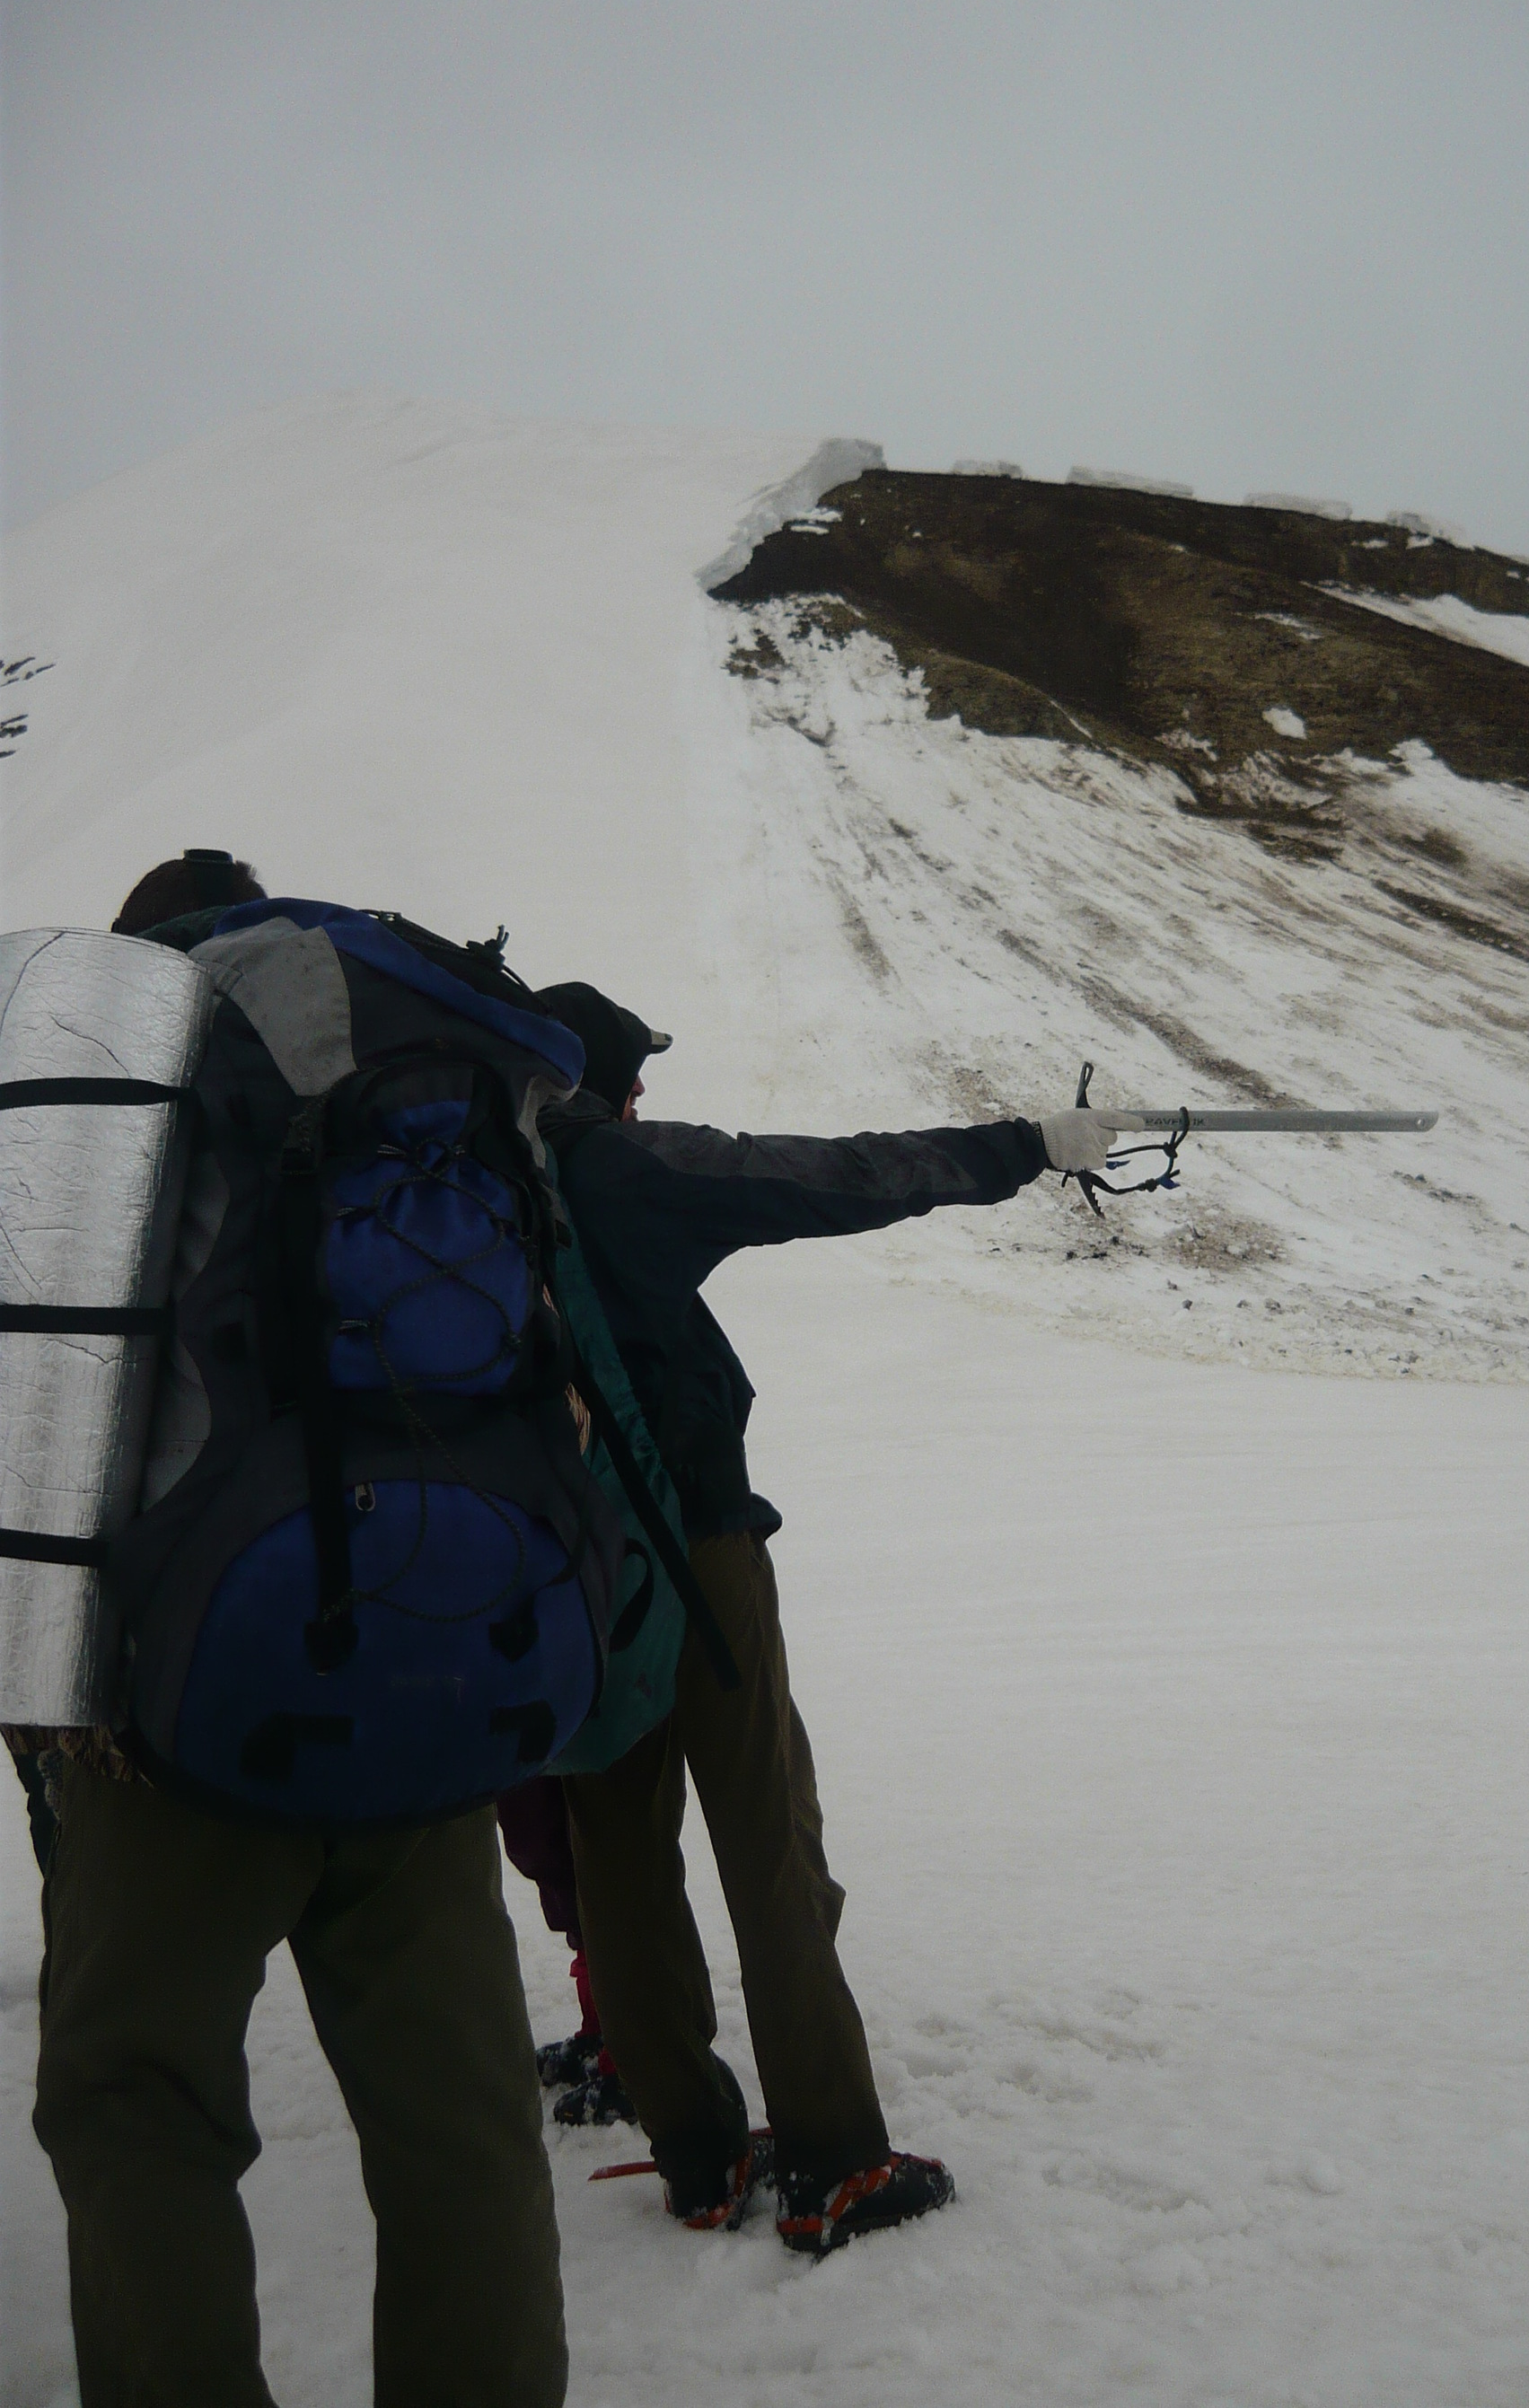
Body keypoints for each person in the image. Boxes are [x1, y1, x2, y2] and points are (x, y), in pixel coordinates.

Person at [23, 856, 570, 2408]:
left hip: (175, 1718)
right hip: (430, 1669)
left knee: (137, 2102)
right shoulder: (420, 1063)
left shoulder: (119, 1078)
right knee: (459, 2123)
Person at [522, 980, 1113, 2253]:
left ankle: (696, 2156)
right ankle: (837, 2159)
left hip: (563, 1574)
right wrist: (1022, 1147)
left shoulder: (480, 1178)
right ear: (606, 1084)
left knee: (618, 1856)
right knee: (767, 1841)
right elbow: (828, 1176)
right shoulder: (617, 1168)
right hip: (695, 1550)